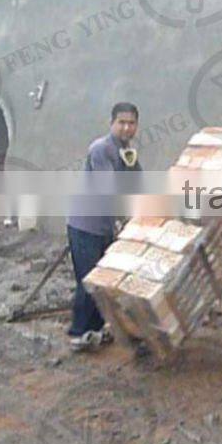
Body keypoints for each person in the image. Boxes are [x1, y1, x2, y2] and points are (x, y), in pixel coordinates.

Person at [66, 103, 142, 351]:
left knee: (105, 281)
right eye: (122, 122)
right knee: (89, 281)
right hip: (86, 225)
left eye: (131, 123)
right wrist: (125, 218)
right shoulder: (101, 149)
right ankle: (79, 333)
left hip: (105, 227)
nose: (126, 128)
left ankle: (96, 329)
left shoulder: (127, 151)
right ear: (112, 123)